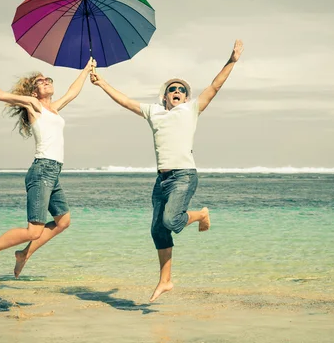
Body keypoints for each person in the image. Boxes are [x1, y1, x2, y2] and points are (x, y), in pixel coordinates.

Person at [90, 40, 244, 301]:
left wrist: (231, 60)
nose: (176, 91)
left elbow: (215, 86)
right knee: (157, 230)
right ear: (164, 96)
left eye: (181, 90)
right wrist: (101, 81)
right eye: (172, 89)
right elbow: (125, 101)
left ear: (186, 97)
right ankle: (166, 281)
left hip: (184, 175)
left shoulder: (191, 109)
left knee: (171, 220)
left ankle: (201, 214)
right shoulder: (154, 112)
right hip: (162, 179)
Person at [0, 58, 96, 277]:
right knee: (34, 231)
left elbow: (72, 92)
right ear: (34, 92)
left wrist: (86, 70)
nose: (46, 82)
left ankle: (24, 254)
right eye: (41, 81)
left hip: (53, 172)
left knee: (63, 221)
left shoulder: (53, 109)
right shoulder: (33, 105)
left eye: (48, 79)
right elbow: (1, 94)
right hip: (41, 171)